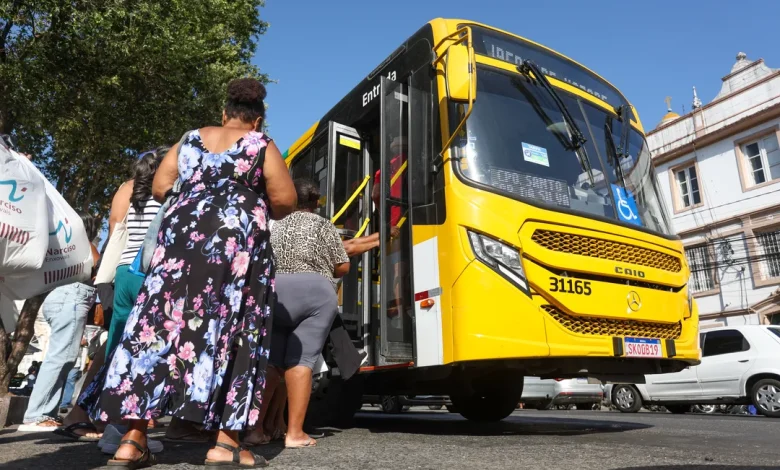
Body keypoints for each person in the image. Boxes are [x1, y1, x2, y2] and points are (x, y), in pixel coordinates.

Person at [83, 77, 296, 468]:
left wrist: (200, 193)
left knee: (159, 328)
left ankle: (131, 441)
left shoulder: (190, 139)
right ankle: (226, 444)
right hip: (234, 255)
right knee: (233, 330)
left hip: (179, 248)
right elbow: (284, 200)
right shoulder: (260, 145)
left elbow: (162, 186)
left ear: (224, 112)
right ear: (257, 119)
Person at [245, 178, 350, 449]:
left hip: (275, 292)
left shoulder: (273, 223)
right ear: (315, 203)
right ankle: (294, 433)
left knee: (271, 363)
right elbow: (342, 267)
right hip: (314, 293)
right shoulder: (322, 224)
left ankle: (255, 430)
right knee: (301, 360)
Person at [18, 211, 100, 432]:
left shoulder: (58, 246)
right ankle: (36, 415)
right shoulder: (83, 246)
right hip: (71, 299)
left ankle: (46, 413)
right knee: (61, 356)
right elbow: (99, 265)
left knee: (63, 356)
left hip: (58, 298)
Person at [104, 149, 166, 357]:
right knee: (145, 340)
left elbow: (114, 226)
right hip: (148, 271)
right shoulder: (168, 194)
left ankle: (104, 385)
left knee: (117, 334)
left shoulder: (129, 189)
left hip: (123, 270)